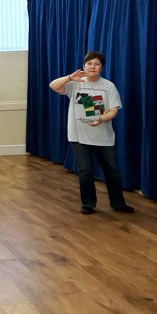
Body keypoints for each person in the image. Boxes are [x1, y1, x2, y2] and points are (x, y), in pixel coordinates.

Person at [49, 51, 134, 214]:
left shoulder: (108, 86)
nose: (92, 67)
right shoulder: (75, 84)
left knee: (112, 170)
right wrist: (68, 78)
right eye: (89, 63)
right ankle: (88, 204)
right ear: (83, 66)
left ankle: (118, 203)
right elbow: (53, 85)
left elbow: (113, 111)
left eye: (96, 64)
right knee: (85, 170)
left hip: (103, 136)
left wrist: (100, 119)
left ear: (101, 67)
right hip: (78, 135)